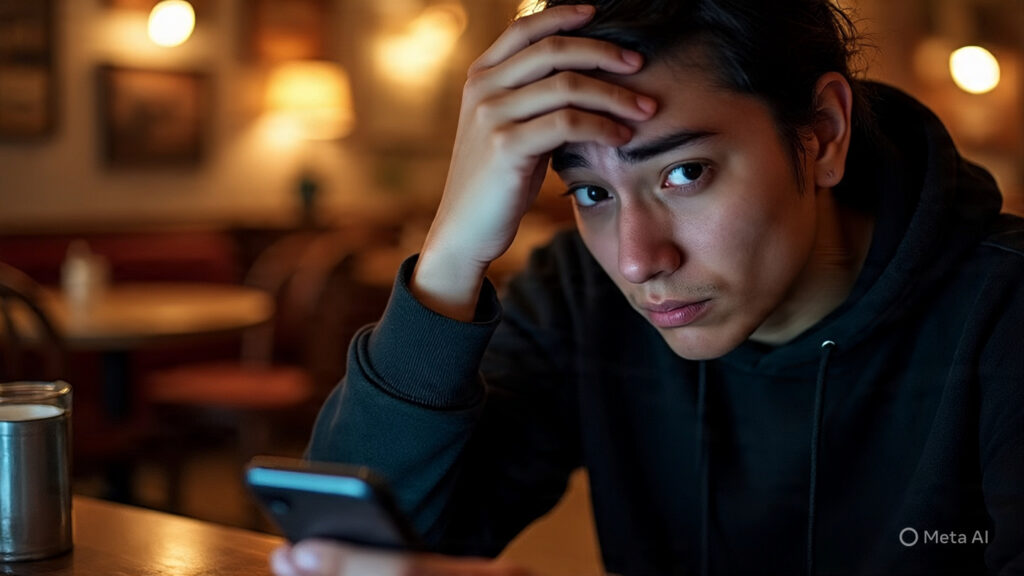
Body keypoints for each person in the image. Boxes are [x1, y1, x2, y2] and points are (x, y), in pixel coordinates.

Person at [272, 0, 1024, 574]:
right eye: (592, 193)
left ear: (822, 132)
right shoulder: (578, 296)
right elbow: (346, 541)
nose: (637, 261)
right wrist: (451, 255)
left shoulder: (1005, 308)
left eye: (684, 172)